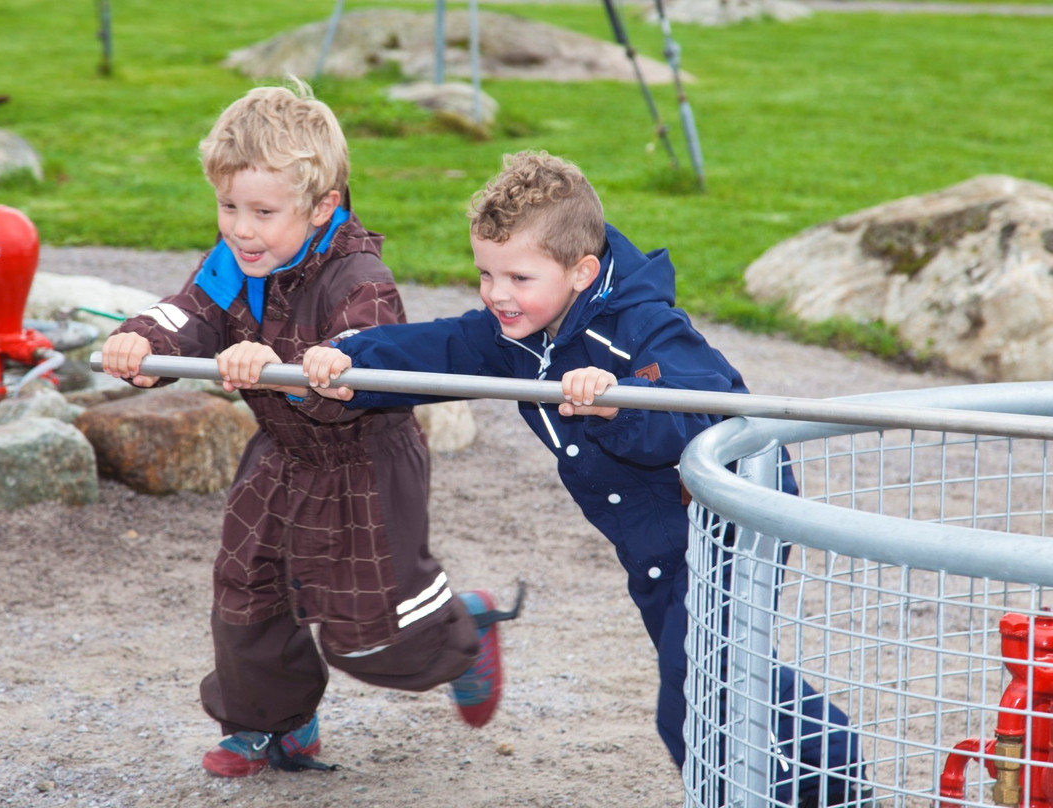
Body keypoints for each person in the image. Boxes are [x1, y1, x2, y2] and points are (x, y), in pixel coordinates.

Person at [300, 150, 866, 805]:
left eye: (518, 276)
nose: (497, 295)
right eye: (485, 274)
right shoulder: (517, 333)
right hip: (656, 541)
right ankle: (831, 768)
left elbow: (710, 409)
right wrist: (345, 359)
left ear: (581, 271)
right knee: (730, 676)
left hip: (729, 520)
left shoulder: (641, 328)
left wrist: (623, 399)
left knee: (697, 696)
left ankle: (791, 784)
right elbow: (439, 348)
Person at [98, 80, 519, 778]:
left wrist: (278, 364)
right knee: (246, 589)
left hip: (363, 463)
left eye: (263, 211)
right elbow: (189, 312)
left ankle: (462, 628)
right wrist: (141, 343)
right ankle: (271, 725)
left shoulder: (360, 278)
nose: (240, 227)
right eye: (228, 205)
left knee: (371, 636)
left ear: (322, 206)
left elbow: (359, 373)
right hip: (282, 454)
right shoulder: (235, 261)